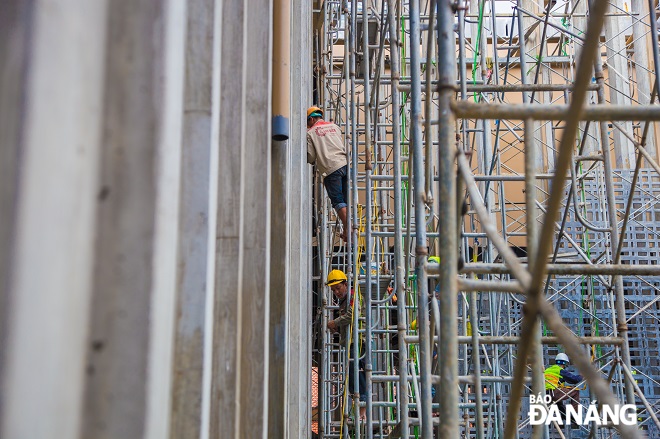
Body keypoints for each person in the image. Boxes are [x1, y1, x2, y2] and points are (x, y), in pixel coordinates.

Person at [326, 269, 367, 420]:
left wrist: (335, 322)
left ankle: (362, 413)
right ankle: (358, 410)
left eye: (338, 287)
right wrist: (338, 327)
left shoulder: (352, 296)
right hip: (350, 342)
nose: (336, 292)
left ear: (345, 284)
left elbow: (352, 315)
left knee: (359, 374)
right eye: (333, 290)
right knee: (352, 375)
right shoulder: (344, 300)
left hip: (357, 341)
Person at [307, 107, 349, 241]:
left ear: (312, 119)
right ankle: (348, 228)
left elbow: (311, 157)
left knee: (337, 201)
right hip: (344, 164)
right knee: (344, 202)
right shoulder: (334, 126)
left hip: (331, 168)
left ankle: (348, 228)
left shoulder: (311, 133)